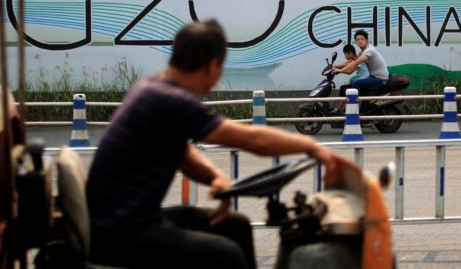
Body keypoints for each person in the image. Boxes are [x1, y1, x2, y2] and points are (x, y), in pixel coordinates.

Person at [86, 20, 349, 269]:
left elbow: (185, 156)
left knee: (236, 225)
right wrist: (311, 146)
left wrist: (217, 178)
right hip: (119, 231)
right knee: (227, 255)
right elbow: (252, 139)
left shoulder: (152, 88)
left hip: (128, 221)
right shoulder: (170, 100)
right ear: (212, 66)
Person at [332, 29, 389, 97]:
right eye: (358, 40)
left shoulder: (369, 51)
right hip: (373, 77)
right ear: (356, 41)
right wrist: (337, 68)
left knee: (356, 83)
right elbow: (352, 64)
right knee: (351, 84)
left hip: (380, 80)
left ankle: (354, 105)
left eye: (362, 39)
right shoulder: (361, 53)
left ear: (366, 40)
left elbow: (355, 63)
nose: (360, 41)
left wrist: (340, 70)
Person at [331, 44, 370, 114]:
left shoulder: (357, 60)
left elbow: (346, 65)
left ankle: (338, 109)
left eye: (345, 54)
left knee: (344, 89)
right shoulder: (354, 60)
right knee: (344, 88)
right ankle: (339, 109)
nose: (345, 56)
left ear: (350, 53)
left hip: (364, 80)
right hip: (361, 80)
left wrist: (336, 67)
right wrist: (339, 72)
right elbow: (350, 72)